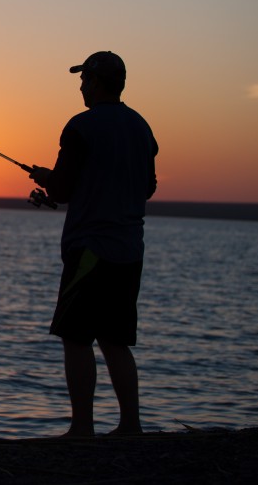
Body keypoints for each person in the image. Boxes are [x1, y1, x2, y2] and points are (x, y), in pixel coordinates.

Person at [29, 51, 158, 437]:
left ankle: (82, 427)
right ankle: (130, 426)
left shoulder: (80, 126)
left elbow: (64, 189)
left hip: (89, 251)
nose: (81, 86)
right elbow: (146, 187)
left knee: (76, 336)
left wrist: (49, 181)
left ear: (98, 82)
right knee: (116, 340)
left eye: (84, 79)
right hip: (130, 251)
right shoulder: (141, 127)